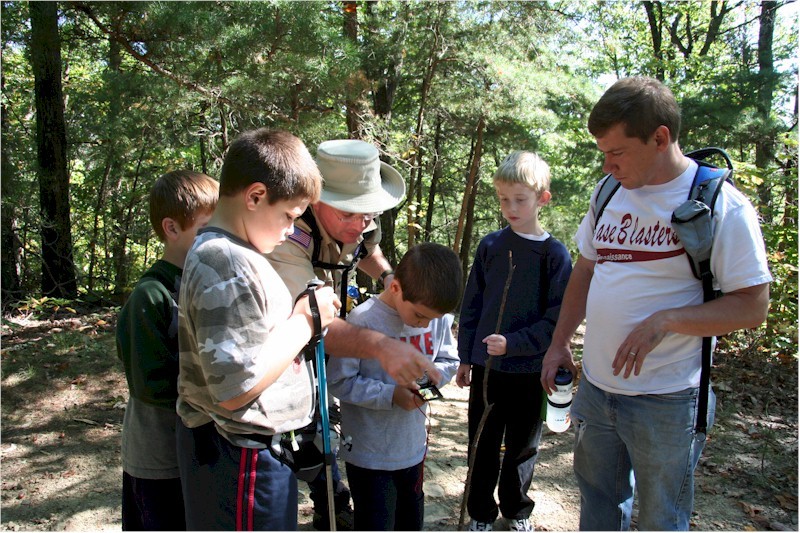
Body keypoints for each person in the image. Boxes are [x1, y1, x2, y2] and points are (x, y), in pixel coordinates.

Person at [540, 76, 772, 531]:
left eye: (617, 152)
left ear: (660, 138)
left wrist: (666, 320)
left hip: (669, 400)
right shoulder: (608, 194)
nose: (607, 166)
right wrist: (559, 341)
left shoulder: (720, 205)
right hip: (597, 392)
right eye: (602, 153)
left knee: (662, 519)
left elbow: (752, 306)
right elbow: (585, 271)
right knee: (599, 508)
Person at [267, 138, 442, 529]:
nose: (360, 224)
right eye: (349, 214)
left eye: (367, 214)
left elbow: (365, 249)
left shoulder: (357, 217)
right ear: (315, 200)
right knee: (302, 433)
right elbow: (312, 321)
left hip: (334, 327)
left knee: (323, 423)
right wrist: (382, 347)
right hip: (288, 340)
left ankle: (334, 497)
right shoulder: (288, 237)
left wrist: (389, 277)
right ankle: (326, 502)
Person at [175, 128, 341, 531]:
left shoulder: (239, 253)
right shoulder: (224, 262)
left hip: (249, 456)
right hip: (239, 461)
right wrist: (306, 319)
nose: (290, 231)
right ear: (254, 197)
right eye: (288, 216)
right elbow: (234, 387)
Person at [456, 151, 573, 532]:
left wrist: (515, 343)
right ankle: (480, 514)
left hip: (530, 371)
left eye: (519, 199)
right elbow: (472, 304)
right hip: (488, 371)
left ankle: (516, 510)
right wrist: (465, 357)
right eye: (503, 199)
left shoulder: (553, 256)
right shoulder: (490, 246)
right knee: (483, 445)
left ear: (543, 198)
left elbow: (557, 321)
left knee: (522, 447)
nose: (510, 207)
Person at [327, 242, 462, 531]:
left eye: (432, 320)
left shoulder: (436, 317)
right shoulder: (362, 320)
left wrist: (429, 384)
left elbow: (448, 360)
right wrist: (390, 395)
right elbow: (339, 380)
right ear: (397, 289)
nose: (424, 325)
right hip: (369, 453)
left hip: (412, 448)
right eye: (419, 317)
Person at [116, 169, 218, 531]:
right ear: (172, 229)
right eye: (206, 228)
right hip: (157, 457)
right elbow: (149, 383)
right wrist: (219, 387)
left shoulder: (205, 284)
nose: (216, 238)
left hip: (196, 450)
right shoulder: (151, 295)